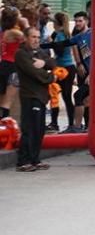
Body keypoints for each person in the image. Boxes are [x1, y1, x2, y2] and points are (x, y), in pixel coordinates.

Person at [14, 28, 56, 172]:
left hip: (42, 97)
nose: (36, 40)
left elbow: (53, 63)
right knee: (29, 129)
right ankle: (23, 161)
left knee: (39, 130)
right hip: (30, 96)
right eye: (33, 37)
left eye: (38, 37)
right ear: (25, 38)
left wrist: (44, 64)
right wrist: (52, 77)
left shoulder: (39, 52)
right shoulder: (21, 54)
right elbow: (35, 74)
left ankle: (35, 159)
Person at [0, 7, 24, 119]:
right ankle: (4, 126)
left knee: (3, 99)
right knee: (7, 102)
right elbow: (29, 40)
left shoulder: (3, 33)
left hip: (4, 65)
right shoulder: (15, 32)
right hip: (13, 67)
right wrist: (26, 24)